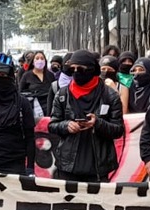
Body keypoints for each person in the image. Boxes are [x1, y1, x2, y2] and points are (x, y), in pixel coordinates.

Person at [48, 51, 124, 182]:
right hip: (67, 166)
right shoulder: (62, 94)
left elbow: (118, 130)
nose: (76, 72)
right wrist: (66, 126)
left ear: (91, 69)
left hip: (98, 166)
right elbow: (52, 124)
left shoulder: (110, 96)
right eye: (72, 68)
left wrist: (98, 123)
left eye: (81, 69)